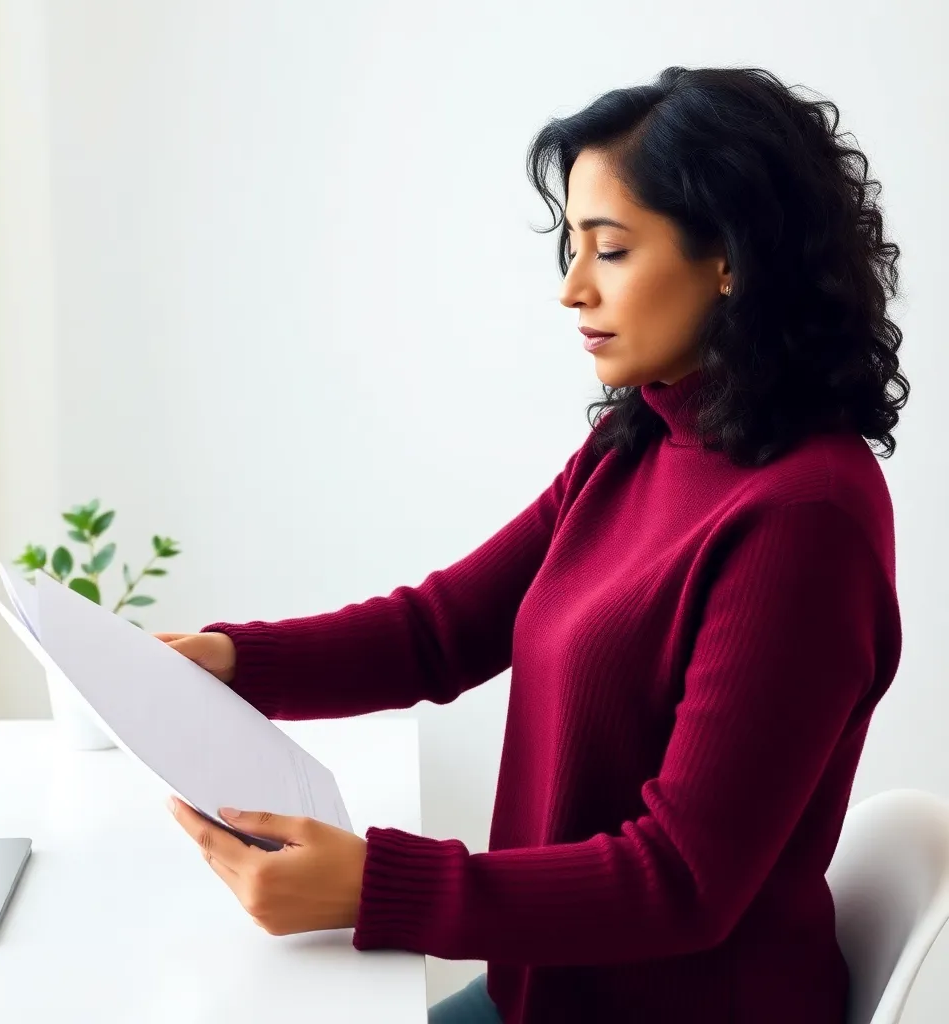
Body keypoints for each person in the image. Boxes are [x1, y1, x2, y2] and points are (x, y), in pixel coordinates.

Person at [155, 65, 908, 1023]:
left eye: (613, 249)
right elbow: (441, 631)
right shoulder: (638, 439)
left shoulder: (804, 519)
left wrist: (376, 885)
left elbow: (682, 879)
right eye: (570, 245)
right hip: (546, 995)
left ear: (732, 259)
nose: (571, 288)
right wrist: (224, 661)